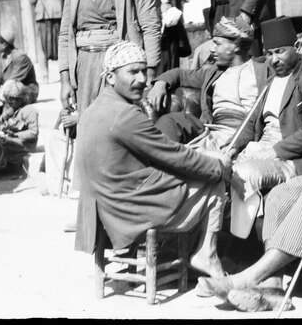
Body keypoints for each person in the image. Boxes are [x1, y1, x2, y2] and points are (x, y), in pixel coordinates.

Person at [196, 17, 302, 302]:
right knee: (278, 196)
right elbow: (255, 123)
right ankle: (274, 286)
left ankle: (249, 277)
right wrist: (233, 148)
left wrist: (273, 151)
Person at [74, 41, 233, 279]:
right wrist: (218, 167)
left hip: (103, 206)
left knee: (203, 168)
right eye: (132, 72)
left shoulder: (93, 110)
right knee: (215, 175)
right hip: (128, 209)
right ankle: (205, 254)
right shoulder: (125, 115)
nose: (142, 80)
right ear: (110, 77)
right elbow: (172, 155)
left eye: (143, 71)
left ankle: (186, 257)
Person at [52, 0, 162, 197]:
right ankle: (89, 198)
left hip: (120, 66)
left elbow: (151, 27)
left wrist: (149, 74)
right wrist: (65, 79)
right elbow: (65, 34)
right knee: (88, 129)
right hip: (85, 64)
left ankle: (125, 194)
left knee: (119, 127)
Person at [225, 16, 302, 240]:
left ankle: (254, 247)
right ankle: (241, 248)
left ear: (296, 47)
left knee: (244, 173)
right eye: (269, 53)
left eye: (279, 52)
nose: (273, 60)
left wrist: (274, 151)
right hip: (261, 148)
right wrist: (231, 149)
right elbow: (249, 125)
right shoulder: (269, 83)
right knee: (217, 167)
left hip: (292, 157)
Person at [148, 15, 272, 147]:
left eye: (217, 44)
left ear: (235, 45)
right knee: (170, 122)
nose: (212, 49)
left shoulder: (264, 70)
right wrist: (160, 84)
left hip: (247, 134)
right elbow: (180, 74)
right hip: (212, 130)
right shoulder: (213, 72)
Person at [28, 0, 68, 83]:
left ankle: (45, 76)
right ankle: (64, 76)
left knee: (42, 47)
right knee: (62, 46)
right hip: (60, 17)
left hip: (42, 18)